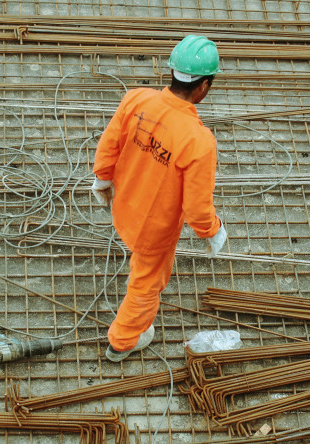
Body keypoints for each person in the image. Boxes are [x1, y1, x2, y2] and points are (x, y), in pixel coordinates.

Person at [90, 35, 228, 362]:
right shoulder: (199, 142)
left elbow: (109, 144)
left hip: (123, 206)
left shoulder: (137, 100)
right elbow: (196, 209)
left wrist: (102, 179)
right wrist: (213, 230)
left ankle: (127, 334)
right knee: (146, 285)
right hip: (153, 229)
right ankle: (122, 342)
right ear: (204, 86)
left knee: (141, 268)